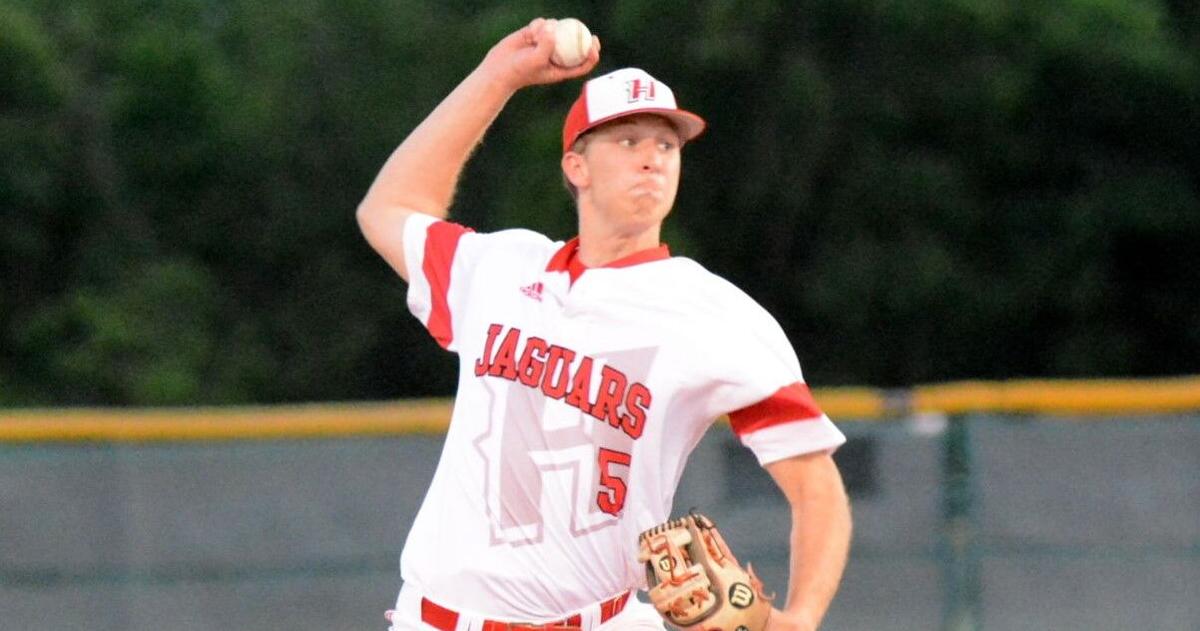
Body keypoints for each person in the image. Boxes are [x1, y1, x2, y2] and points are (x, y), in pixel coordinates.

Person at [357, 17, 852, 631]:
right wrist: (497, 77)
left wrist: (801, 618)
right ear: (576, 167)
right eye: (628, 141)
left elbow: (816, 485)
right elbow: (387, 209)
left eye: (667, 145)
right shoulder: (500, 269)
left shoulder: (714, 316)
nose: (652, 159)